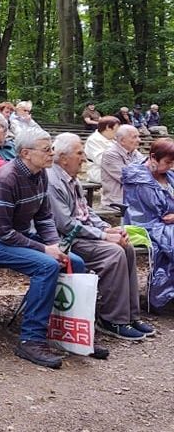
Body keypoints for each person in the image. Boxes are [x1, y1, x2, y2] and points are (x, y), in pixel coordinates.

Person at [0, 128, 87, 369]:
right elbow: (2, 232)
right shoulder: (6, 179)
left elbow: (44, 217)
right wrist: (45, 251)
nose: (51, 154)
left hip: (19, 234)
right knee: (45, 266)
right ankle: (31, 339)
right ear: (25, 153)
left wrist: (54, 244)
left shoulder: (40, 173)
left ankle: (69, 333)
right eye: (46, 150)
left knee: (74, 261)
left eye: (52, 149)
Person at [48, 133, 153, 340]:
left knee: (126, 247)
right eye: (79, 153)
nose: (84, 157)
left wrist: (108, 228)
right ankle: (112, 318)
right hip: (65, 241)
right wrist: (104, 235)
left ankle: (131, 315)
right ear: (63, 157)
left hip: (81, 235)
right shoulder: (53, 181)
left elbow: (86, 212)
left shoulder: (72, 179)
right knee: (113, 253)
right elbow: (66, 224)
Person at [122, 138, 174, 311]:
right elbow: (157, 215)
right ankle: (163, 297)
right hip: (148, 224)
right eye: (167, 162)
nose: (170, 167)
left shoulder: (169, 176)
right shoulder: (139, 179)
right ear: (153, 157)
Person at [100, 124, 145, 207]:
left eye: (138, 136)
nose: (139, 140)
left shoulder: (135, 153)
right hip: (118, 200)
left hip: (135, 198)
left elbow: (147, 172)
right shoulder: (110, 154)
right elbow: (128, 177)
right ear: (122, 141)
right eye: (134, 137)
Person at [83, 116, 120, 184]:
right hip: (99, 172)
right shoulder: (93, 140)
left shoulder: (114, 140)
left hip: (116, 170)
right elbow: (102, 161)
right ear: (108, 127)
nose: (118, 132)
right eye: (116, 129)